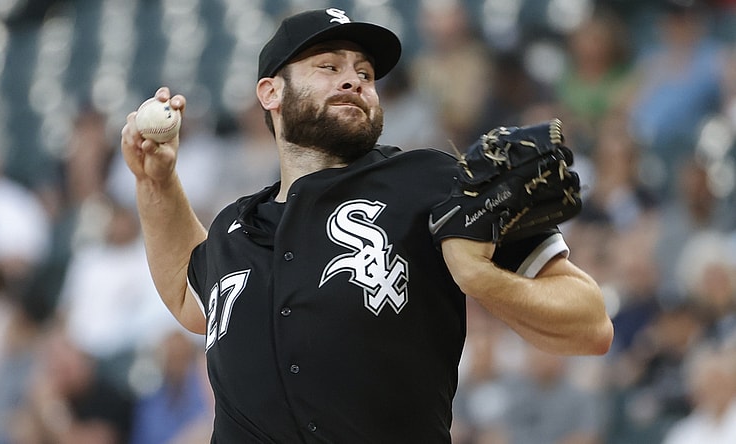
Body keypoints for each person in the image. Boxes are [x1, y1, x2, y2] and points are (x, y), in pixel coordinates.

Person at [120, 8, 613, 442]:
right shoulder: (235, 225)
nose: (354, 80)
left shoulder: (430, 180)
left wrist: (480, 277)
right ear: (271, 92)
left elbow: (591, 323)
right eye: (329, 67)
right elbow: (189, 299)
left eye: (365, 73)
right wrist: (156, 184)